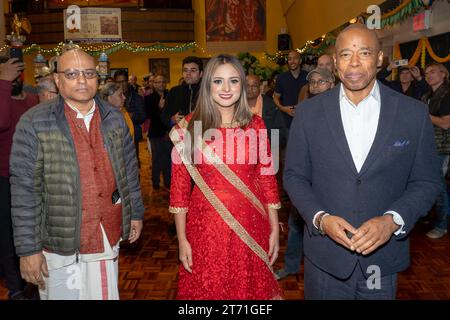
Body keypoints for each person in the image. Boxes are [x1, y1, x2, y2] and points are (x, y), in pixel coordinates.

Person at [284, 24, 441, 299]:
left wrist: (393, 221)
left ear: (380, 59)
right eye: (345, 54)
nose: (354, 62)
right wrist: (321, 219)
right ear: (335, 63)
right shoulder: (309, 113)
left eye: (365, 52)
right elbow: (295, 176)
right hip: (326, 260)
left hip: (380, 259)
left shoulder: (412, 114)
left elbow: (426, 181)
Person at [10, 48, 145, 300]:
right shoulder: (35, 122)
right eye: (71, 74)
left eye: (88, 73)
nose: (82, 80)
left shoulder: (115, 118)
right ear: (58, 80)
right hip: (57, 240)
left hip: (105, 232)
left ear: (98, 78)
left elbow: (128, 172)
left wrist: (135, 212)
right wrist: (29, 249)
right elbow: (24, 192)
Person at [169, 54, 282, 299]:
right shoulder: (187, 128)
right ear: (207, 84)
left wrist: (274, 227)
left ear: (242, 85)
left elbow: (267, 178)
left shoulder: (257, 126)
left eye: (233, 81)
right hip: (205, 229)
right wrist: (182, 240)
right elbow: (179, 193)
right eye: (218, 81)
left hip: (252, 223)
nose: (226, 88)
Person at [275, 67, 335, 281]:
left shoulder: (344, 111)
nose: (316, 86)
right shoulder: (305, 110)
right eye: (313, 82)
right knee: (295, 227)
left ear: (333, 84)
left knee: (329, 229)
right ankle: (291, 266)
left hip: (331, 183)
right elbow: (296, 148)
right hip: (306, 181)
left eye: (322, 82)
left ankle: (326, 272)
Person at [0, 56, 39, 300]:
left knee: (31, 230)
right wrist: (3, 82)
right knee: (8, 234)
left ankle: (33, 282)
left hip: (32, 176)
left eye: (18, 72)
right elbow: (2, 122)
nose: (16, 77)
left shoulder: (32, 98)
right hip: (4, 177)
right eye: (11, 72)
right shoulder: (2, 94)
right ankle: (15, 288)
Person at [422, 63, 450, 239]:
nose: (428, 75)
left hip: (442, 147)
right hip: (428, 146)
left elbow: (447, 123)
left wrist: (423, 113)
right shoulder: (426, 96)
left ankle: (441, 225)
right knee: (427, 183)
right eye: (426, 73)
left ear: (444, 74)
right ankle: (427, 216)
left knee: (439, 187)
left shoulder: (447, 94)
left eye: (433, 72)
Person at [114, 70, 146, 167]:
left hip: (132, 135)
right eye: (118, 82)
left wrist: (129, 116)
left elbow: (142, 116)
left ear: (127, 81)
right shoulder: (111, 97)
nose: (121, 84)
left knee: (132, 165)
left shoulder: (137, 97)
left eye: (123, 81)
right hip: (115, 136)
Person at [144, 74, 171, 190]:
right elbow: (149, 115)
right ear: (153, 84)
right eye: (158, 82)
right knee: (156, 158)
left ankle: (167, 181)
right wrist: (159, 108)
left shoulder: (170, 96)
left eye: (163, 82)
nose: (161, 84)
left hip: (169, 132)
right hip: (155, 132)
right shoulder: (149, 98)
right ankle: (155, 182)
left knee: (168, 158)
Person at [161, 56, 203, 128]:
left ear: (201, 73)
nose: (188, 73)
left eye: (193, 70)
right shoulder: (174, 91)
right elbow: (164, 116)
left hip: (204, 135)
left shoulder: (208, 91)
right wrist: (172, 120)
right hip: (179, 135)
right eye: (185, 70)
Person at [246, 74, 287, 147]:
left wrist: (271, 152)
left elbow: (278, 131)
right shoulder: (235, 105)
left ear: (260, 87)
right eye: (247, 85)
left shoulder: (270, 105)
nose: (250, 89)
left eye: (254, 86)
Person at [273, 50, 308, 129]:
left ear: (300, 61)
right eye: (289, 59)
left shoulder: (308, 76)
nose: (292, 61)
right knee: (283, 140)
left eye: (295, 58)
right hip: (286, 119)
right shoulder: (281, 78)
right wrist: (284, 109)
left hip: (304, 118)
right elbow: (275, 97)